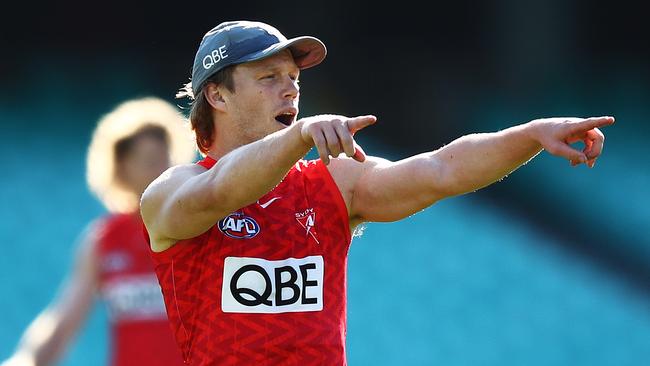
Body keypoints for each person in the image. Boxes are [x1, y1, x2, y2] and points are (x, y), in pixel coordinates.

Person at [140, 21, 614, 366]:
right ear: (218, 97)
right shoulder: (171, 192)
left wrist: (530, 134)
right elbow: (222, 190)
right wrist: (297, 136)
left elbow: (439, 169)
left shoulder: (333, 182)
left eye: (294, 80)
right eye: (268, 79)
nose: (290, 91)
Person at [2, 97, 196, 366]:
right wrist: (27, 360)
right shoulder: (104, 239)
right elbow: (64, 319)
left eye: (167, 159)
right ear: (122, 168)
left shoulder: (198, 227)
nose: (163, 171)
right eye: (150, 161)